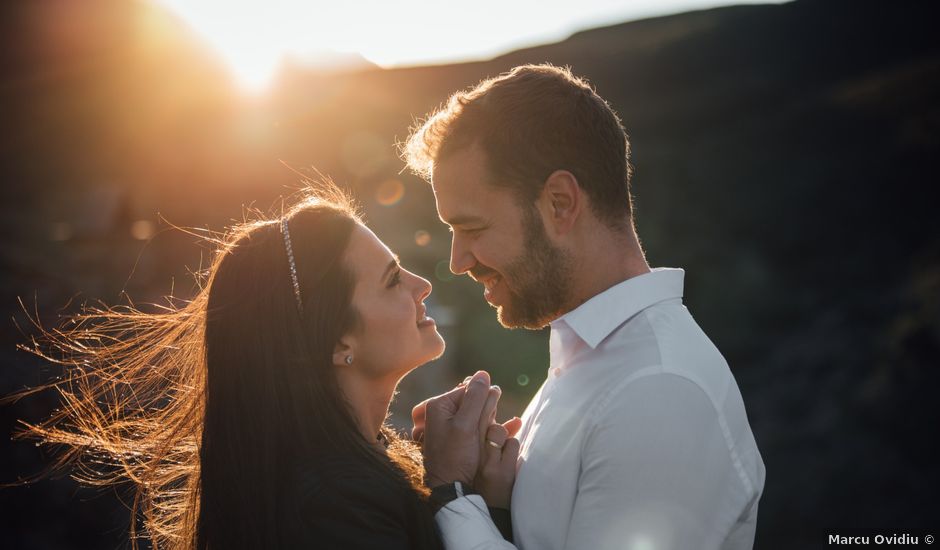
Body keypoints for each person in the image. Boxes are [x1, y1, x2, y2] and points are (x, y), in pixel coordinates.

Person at [11, 185, 516, 549]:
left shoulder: (352, 470)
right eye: (390, 280)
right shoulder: (330, 507)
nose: (421, 285)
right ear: (336, 338)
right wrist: (451, 487)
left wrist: (475, 497)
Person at [404, 64, 766, 549]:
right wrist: (493, 503)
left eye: (472, 228)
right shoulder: (590, 359)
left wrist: (450, 495)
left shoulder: (659, 389)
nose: (457, 260)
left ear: (559, 204)